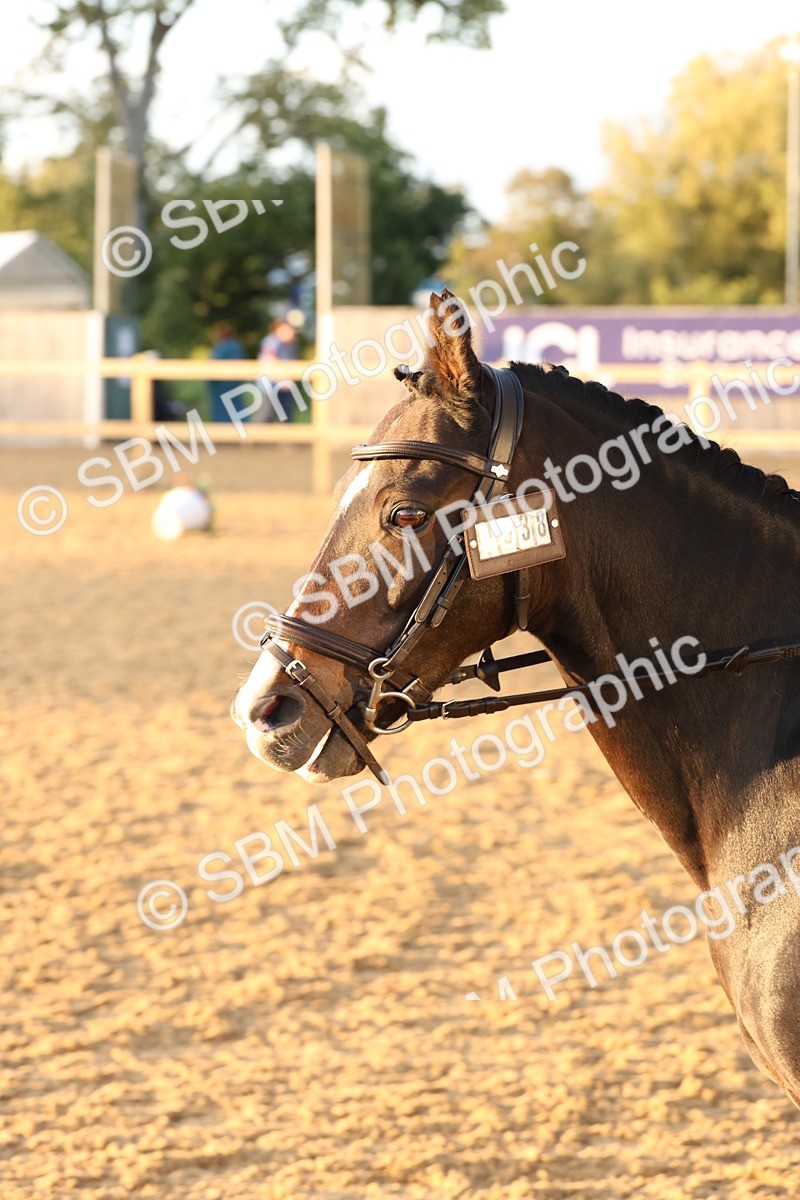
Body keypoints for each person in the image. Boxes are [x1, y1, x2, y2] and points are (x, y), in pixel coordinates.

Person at [255, 317, 299, 422]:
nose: (292, 332)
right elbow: (269, 361)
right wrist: (283, 380)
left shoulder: (288, 345)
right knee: (265, 417)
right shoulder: (272, 342)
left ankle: (285, 438)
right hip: (271, 386)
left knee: (285, 417)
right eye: (288, 329)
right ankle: (256, 438)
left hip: (281, 386)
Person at [209, 322, 247, 423]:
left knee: (224, 410)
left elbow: (214, 364)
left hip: (222, 384)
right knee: (235, 408)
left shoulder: (224, 347)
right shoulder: (235, 346)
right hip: (231, 383)